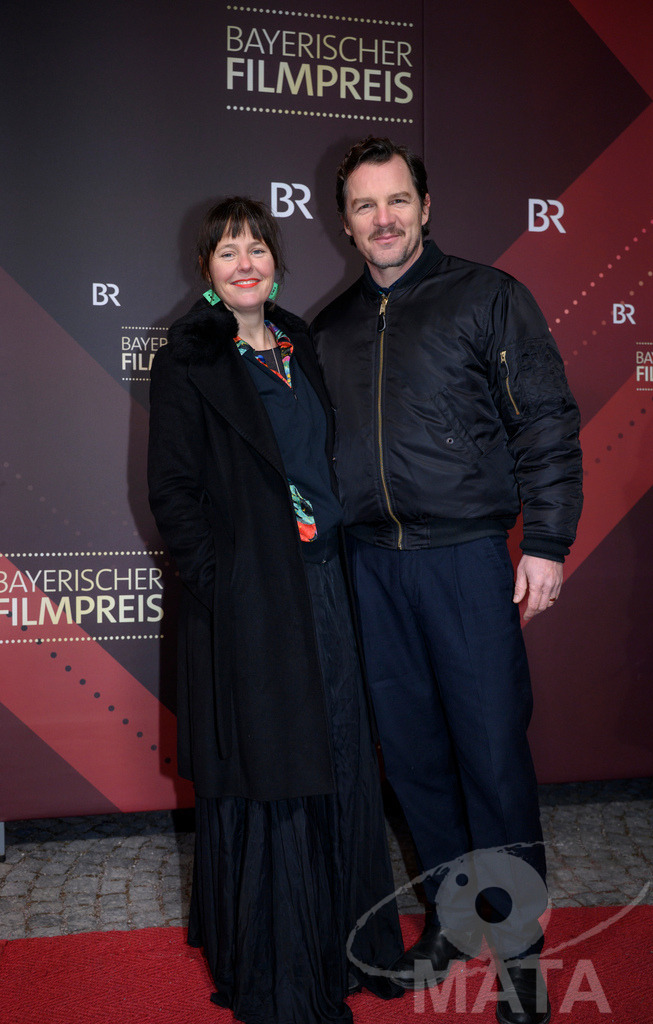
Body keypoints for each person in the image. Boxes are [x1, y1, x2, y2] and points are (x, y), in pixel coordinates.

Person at [312, 138, 583, 1024]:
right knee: (418, 764)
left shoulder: (488, 297)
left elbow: (543, 418)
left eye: (397, 200)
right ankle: (454, 923)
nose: (382, 218)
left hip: (466, 563)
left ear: (425, 207)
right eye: (363, 205)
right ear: (344, 221)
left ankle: (520, 959)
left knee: (492, 761)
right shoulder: (332, 327)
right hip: (369, 569)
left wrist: (543, 542)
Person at [147, 196, 404, 1024]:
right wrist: (225, 583)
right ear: (206, 271)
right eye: (227, 253)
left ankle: (351, 944)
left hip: (326, 587)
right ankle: (283, 964)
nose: (244, 262)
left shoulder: (304, 342)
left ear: (277, 260)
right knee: (275, 772)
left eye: (256, 248)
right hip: (251, 604)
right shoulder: (189, 357)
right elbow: (172, 492)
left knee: (337, 758)